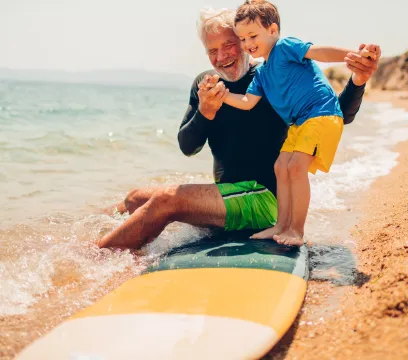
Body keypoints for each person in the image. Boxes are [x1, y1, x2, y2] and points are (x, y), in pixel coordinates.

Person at [97, 7, 381, 250]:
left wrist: (358, 80)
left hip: (264, 198)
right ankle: (103, 244)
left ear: (246, 42)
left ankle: (95, 256)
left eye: (230, 44)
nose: (221, 57)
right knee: (135, 198)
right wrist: (205, 111)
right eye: (212, 50)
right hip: (230, 196)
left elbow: (335, 115)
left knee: (165, 201)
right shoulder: (205, 84)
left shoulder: (270, 77)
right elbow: (187, 146)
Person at [214, 0, 379, 246]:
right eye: (243, 39)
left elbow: (318, 52)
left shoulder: (285, 46)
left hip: (321, 114)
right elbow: (248, 101)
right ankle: (280, 225)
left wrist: (351, 56)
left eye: (252, 35)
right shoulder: (261, 73)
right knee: (281, 167)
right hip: (299, 123)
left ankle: (297, 231)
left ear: (272, 30)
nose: (248, 44)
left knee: (296, 167)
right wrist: (224, 96)